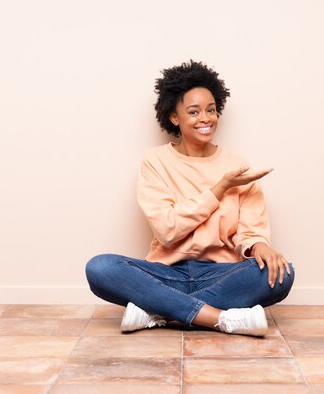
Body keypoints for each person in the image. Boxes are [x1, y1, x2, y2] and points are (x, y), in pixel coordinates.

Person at [85, 60, 294, 337]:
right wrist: (219, 188)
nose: (205, 118)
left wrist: (260, 247)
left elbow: (251, 232)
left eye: (211, 110)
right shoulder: (156, 161)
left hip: (221, 274)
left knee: (284, 273)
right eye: (193, 112)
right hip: (165, 274)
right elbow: (168, 230)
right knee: (100, 268)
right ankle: (219, 318)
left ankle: (159, 312)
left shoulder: (238, 166)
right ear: (175, 117)